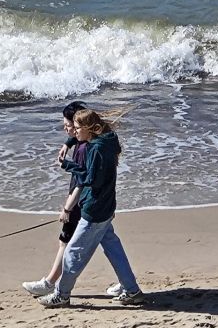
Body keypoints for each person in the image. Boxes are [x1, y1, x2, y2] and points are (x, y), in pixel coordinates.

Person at [39, 107, 144, 307]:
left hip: (95, 210)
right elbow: (94, 175)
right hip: (107, 205)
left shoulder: (95, 149)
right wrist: (69, 143)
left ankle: (61, 295)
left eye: (77, 128)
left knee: (72, 252)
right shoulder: (108, 140)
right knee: (113, 248)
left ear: (89, 128)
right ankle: (132, 290)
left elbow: (91, 180)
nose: (75, 132)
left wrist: (68, 166)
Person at [21, 102, 89, 298]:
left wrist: (67, 208)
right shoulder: (84, 142)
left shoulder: (83, 149)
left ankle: (50, 283)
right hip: (90, 203)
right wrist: (67, 143)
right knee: (107, 242)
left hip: (80, 203)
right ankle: (127, 283)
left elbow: (81, 181)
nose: (65, 128)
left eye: (68, 125)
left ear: (78, 125)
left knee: (65, 241)